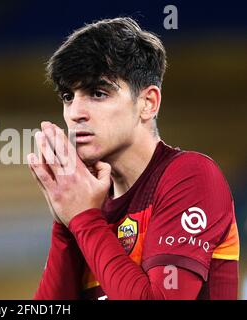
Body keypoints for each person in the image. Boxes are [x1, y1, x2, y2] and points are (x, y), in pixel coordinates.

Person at [27, 17, 239, 300]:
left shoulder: (191, 176)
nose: (75, 112)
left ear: (148, 103)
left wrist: (83, 218)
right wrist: (65, 223)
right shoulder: (89, 202)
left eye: (98, 93)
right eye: (68, 96)